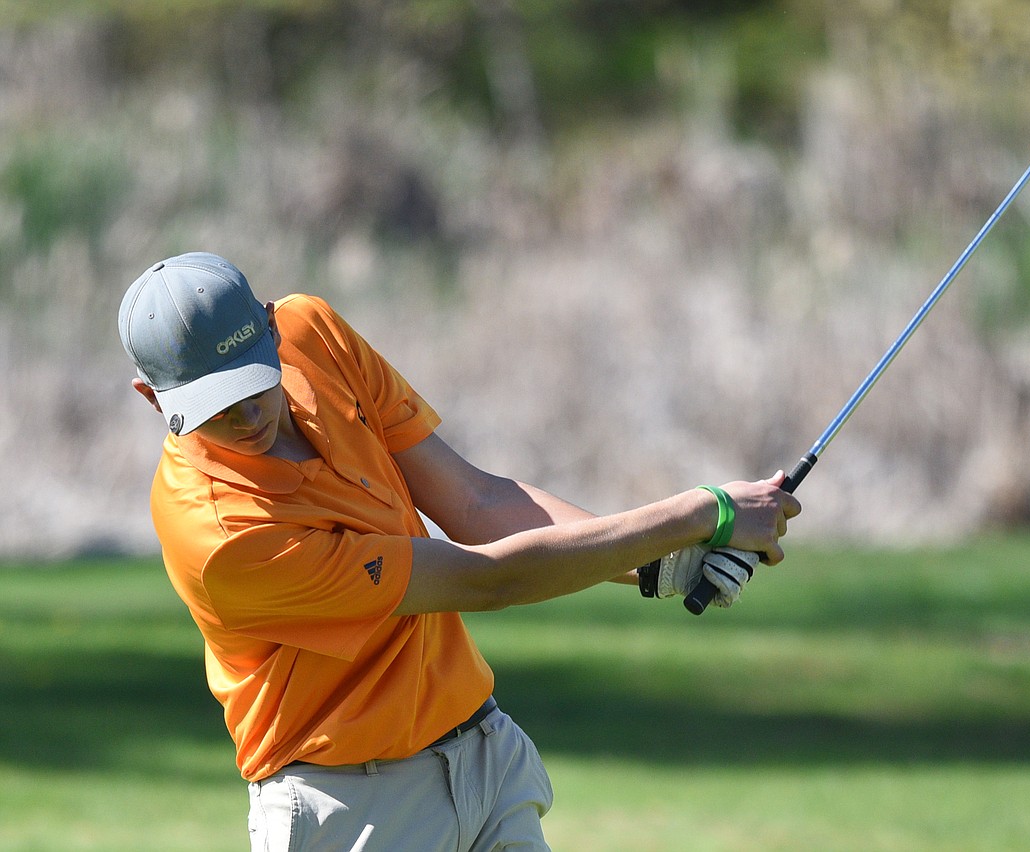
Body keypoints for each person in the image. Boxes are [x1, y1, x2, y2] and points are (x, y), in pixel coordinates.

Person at [118, 251, 801, 851]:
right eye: (213, 406)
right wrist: (699, 512)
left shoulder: (312, 333)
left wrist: (655, 561)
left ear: (271, 326)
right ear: (152, 398)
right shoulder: (223, 537)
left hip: (481, 755)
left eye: (251, 383)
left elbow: (474, 502)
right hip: (351, 810)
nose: (245, 418)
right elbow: (486, 580)